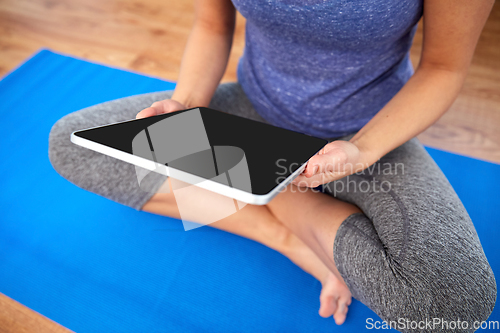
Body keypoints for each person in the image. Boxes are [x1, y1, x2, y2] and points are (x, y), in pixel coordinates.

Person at [49, 0, 497, 330]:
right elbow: (211, 23)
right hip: (250, 113)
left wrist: (362, 149)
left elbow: (443, 67)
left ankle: (270, 191)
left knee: (451, 308)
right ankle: (287, 232)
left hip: (367, 135)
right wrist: (185, 105)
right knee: (72, 145)